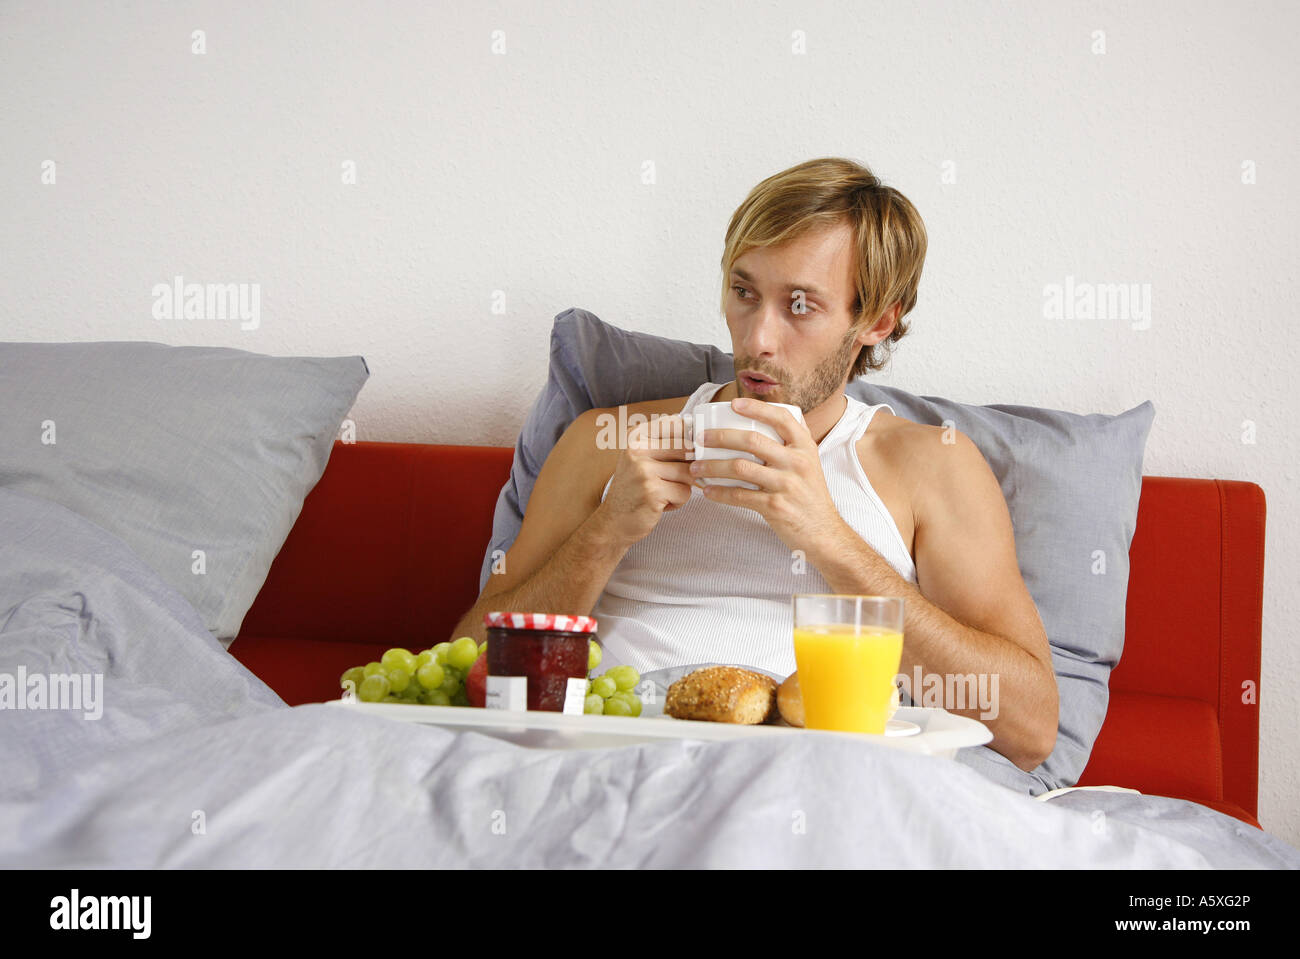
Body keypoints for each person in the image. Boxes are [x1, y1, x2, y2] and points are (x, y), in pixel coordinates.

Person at [452, 157, 1058, 772]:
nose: (757, 339)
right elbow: (465, 664)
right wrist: (605, 532)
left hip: (817, 773)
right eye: (744, 293)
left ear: (877, 319)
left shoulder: (934, 466)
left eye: (800, 305)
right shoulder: (609, 440)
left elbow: (1029, 730)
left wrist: (827, 537)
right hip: (613, 760)